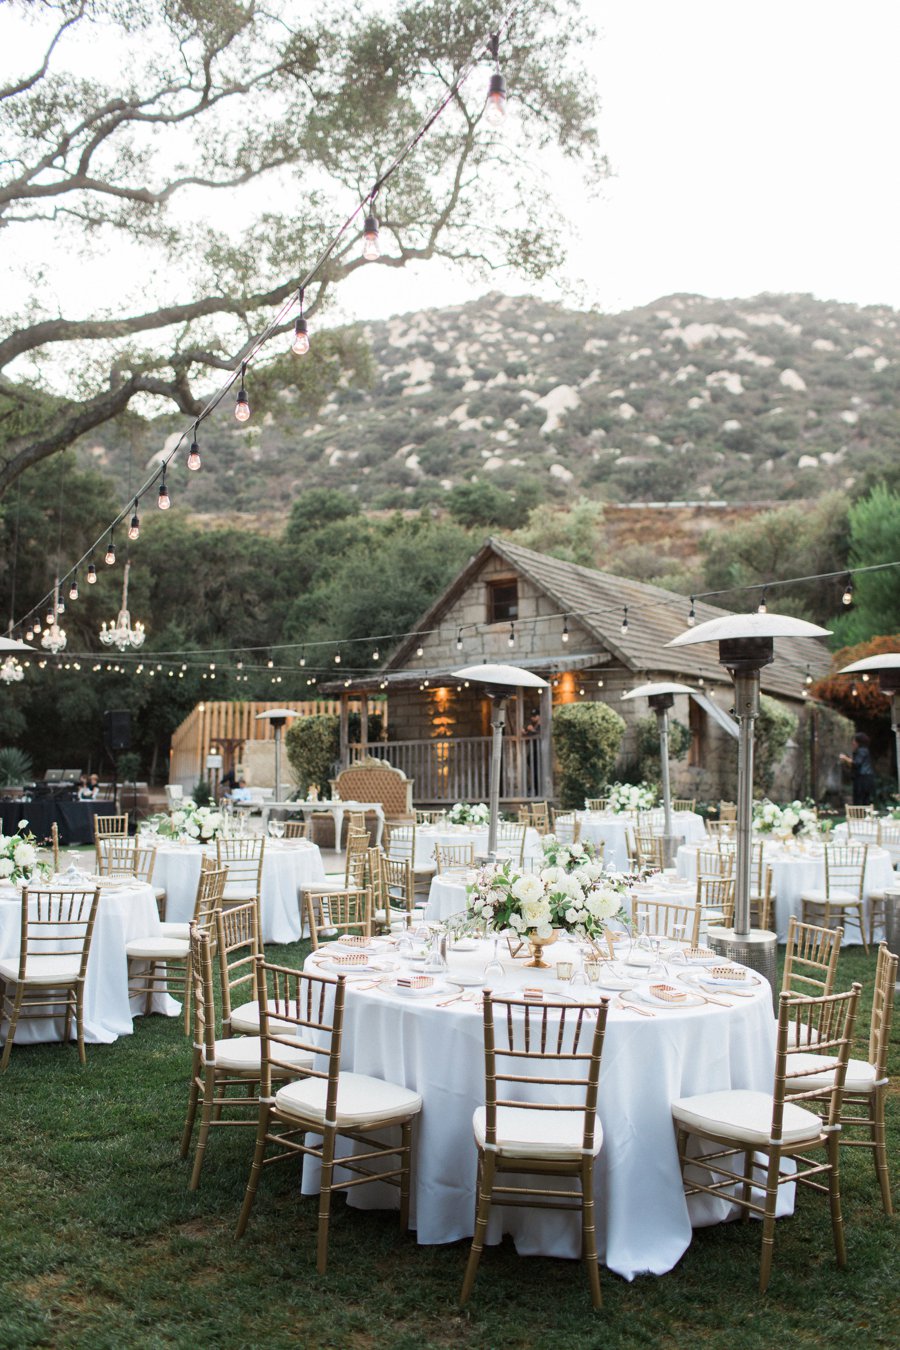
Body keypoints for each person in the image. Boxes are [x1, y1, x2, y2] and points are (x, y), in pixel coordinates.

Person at [840, 732, 876, 806]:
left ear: (858, 742)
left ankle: (860, 815)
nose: (853, 743)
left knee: (859, 799)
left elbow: (856, 763)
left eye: (854, 741)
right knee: (865, 799)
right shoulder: (864, 750)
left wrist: (845, 758)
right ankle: (864, 815)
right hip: (866, 778)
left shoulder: (862, 750)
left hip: (862, 778)